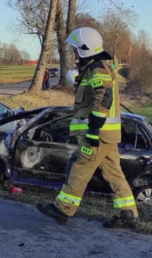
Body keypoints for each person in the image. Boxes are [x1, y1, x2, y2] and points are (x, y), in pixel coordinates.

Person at [36, 27, 138, 229]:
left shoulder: (97, 69)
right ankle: (128, 214)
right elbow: (92, 93)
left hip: (98, 135)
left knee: (79, 167)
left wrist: (93, 130)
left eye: (75, 49)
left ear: (84, 49)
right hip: (107, 135)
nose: (74, 53)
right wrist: (76, 79)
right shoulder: (95, 68)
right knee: (114, 174)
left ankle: (62, 209)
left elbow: (103, 98)